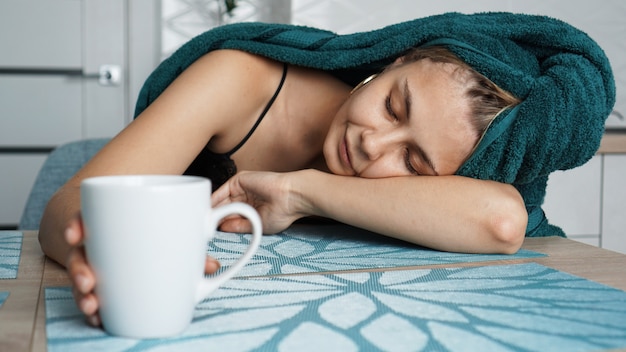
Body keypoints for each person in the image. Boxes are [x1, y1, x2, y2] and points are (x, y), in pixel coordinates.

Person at [37, 12, 614, 327]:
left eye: (413, 161)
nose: (372, 144)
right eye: (394, 105)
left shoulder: (427, 184)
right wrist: (102, 253)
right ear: (395, 59)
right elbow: (68, 205)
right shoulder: (235, 80)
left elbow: (502, 221)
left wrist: (301, 192)